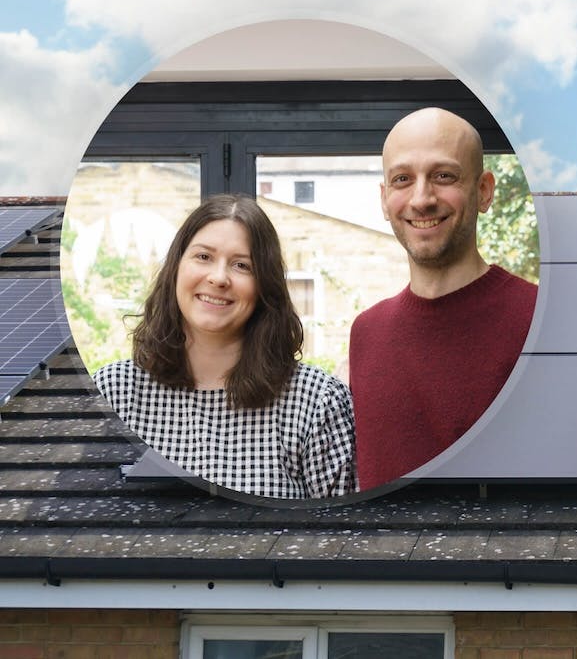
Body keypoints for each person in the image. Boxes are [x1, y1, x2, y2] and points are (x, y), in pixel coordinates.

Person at [93, 195, 355, 499]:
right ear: (176, 268)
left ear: (265, 285)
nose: (218, 278)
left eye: (242, 265)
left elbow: (344, 525)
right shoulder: (114, 391)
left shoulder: (317, 402)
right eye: (203, 256)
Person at [349, 107, 537, 490]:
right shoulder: (366, 333)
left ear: (484, 191)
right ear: (384, 199)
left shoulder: (541, 319)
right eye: (403, 179)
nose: (421, 199)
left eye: (443, 176)